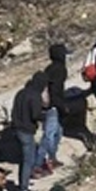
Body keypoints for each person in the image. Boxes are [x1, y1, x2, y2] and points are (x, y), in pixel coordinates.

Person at [11, 73, 46, 191]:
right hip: (26, 131)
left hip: (17, 129)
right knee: (28, 160)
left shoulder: (21, 93)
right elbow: (35, 115)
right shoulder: (35, 96)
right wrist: (46, 115)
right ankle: (24, 190)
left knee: (25, 158)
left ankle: (24, 182)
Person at [37, 43, 69, 174]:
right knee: (49, 135)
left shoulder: (49, 69)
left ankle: (51, 158)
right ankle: (42, 162)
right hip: (52, 106)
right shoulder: (60, 69)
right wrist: (61, 106)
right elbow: (55, 91)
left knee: (57, 132)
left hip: (46, 105)